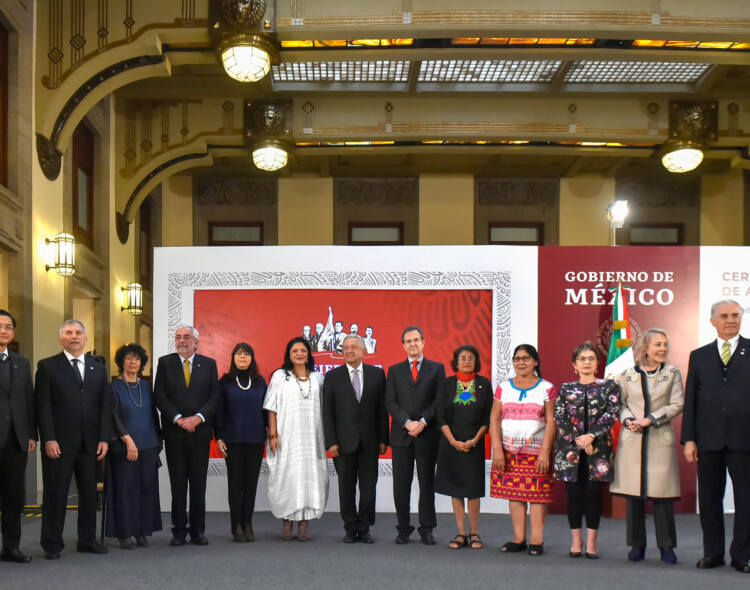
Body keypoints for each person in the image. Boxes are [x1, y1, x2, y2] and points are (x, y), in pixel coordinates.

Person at [682, 300, 750, 574]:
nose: (730, 320)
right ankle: (712, 554)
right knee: (709, 500)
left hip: (744, 440)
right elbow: (691, 400)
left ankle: (742, 556)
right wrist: (689, 439)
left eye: (735, 315)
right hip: (707, 440)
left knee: (746, 501)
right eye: (724, 316)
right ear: (713, 321)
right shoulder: (699, 356)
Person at [35, 319, 111, 559]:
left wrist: (103, 438)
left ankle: (87, 541)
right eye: (68, 333)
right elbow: (43, 406)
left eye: (78, 333)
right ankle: (52, 544)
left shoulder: (97, 369)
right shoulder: (47, 366)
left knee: (89, 495)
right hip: (59, 443)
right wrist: (48, 438)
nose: (74, 336)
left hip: (90, 443)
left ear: (85, 339)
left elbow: (104, 407)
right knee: (55, 494)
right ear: (61, 339)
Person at [610, 328, 684, 564]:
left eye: (665, 344)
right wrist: (629, 419)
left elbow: (677, 403)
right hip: (632, 441)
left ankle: (667, 547)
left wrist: (651, 419)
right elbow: (618, 405)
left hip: (659, 439)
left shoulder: (672, 373)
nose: (663, 349)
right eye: (658, 345)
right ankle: (636, 545)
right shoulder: (627, 375)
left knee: (662, 497)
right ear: (644, 349)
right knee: (633, 497)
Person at [154, 325, 220, 547]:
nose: (182, 340)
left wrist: (198, 418)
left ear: (196, 342)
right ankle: (179, 531)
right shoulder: (165, 363)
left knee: (198, 486)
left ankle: (198, 531)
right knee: (178, 485)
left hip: (200, 434)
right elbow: (159, 396)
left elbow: (214, 397)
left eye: (187, 337)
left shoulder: (209, 365)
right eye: (178, 337)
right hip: (175, 434)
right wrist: (178, 418)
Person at [554, 341, 621, 559]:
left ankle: (592, 544)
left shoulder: (609, 386)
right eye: (582, 359)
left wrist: (591, 436)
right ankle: (576, 542)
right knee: (573, 496)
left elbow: (612, 412)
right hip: (570, 451)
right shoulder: (565, 388)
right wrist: (579, 439)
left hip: (598, 450)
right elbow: (560, 417)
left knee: (593, 495)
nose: (586, 362)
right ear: (574, 365)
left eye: (591, 358)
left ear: (597, 363)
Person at [490, 344, 557, 556]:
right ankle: (518, 538)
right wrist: (497, 449)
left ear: (535, 361)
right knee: (515, 494)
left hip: (537, 452)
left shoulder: (546, 388)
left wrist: (545, 451)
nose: (521, 362)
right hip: (509, 451)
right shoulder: (504, 387)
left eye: (526, 358)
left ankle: (536, 540)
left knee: (537, 495)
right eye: (517, 359)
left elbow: (551, 421)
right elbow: (494, 419)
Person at [323, 335, 388, 543]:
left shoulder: (377, 374)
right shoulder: (332, 376)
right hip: (342, 444)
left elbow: (381, 410)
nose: (349, 350)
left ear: (363, 351)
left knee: (369, 488)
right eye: (345, 347)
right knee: (346, 488)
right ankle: (350, 528)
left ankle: (365, 528)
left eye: (353, 347)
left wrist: (383, 439)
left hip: (370, 442)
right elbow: (328, 413)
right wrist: (331, 441)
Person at [386, 325, 447, 545]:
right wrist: (407, 423)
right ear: (403, 345)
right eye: (408, 341)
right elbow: (390, 401)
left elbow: (439, 401)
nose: (412, 344)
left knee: (426, 484)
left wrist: (421, 422)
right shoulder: (394, 370)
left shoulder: (437, 368)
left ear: (423, 342)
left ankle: (427, 528)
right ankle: (403, 528)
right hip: (402, 436)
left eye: (416, 340)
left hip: (427, 434)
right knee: (401, 485)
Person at [263, 337, 328, 541]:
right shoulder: (280, 377)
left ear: (309, 353)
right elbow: (271, 407)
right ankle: (287, 521)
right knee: (287, 477)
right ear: (288, 355)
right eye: (294, 351)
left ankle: (304, 524)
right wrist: (273, 435)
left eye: (303, 350)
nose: (299, 354)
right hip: (286, 437)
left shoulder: (319, 378)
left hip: (311, 438)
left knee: (309, 480)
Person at [435, 345, 492, 550]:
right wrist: (453, 441)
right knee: (456, 490)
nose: (466, 361)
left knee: (473, 490)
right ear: (456, 362)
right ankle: (460, 532)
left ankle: (474, 532)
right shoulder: (447, 384)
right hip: (451, 444)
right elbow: (440, 417)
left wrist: (475, 440)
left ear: (476, 362)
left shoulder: (484, 385)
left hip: (473, 445)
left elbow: (487, 417)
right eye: (462, 358)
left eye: (470, 358)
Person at [107, 343, 162, 549]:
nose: (133, 362)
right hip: (124, 447)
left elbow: (152, 415)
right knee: (125, 490)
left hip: (148, 445)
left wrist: (158, 440)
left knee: (146, 489)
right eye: (129, 358)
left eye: (137, 359)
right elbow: (113, 417)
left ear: (142, 363)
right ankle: (124, 532)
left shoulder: (146, 386)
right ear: (121, 361)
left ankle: (142, 531)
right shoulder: (113, 386)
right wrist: (128, 440)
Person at [215, 343, 267, 543]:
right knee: (235, 485)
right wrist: (218, 436)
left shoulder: (260, 382)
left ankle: (248, 524)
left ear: (252, 358)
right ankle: (236, 525)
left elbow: (267, 410)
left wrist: (271, 434)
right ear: (233, 358)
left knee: (251, 485)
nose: (243, 357)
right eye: (239, 353)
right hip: (231, 439)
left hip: (255, 440)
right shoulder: (225, 382)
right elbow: (219, 411)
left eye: (247, 354)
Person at [0, 310, 36, 564]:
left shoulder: (21, 363)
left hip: (16, 440)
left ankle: (11, 547)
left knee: (14, 496)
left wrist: (31, 434)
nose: (3, 330)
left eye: (8, 327)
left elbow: (28, 400)